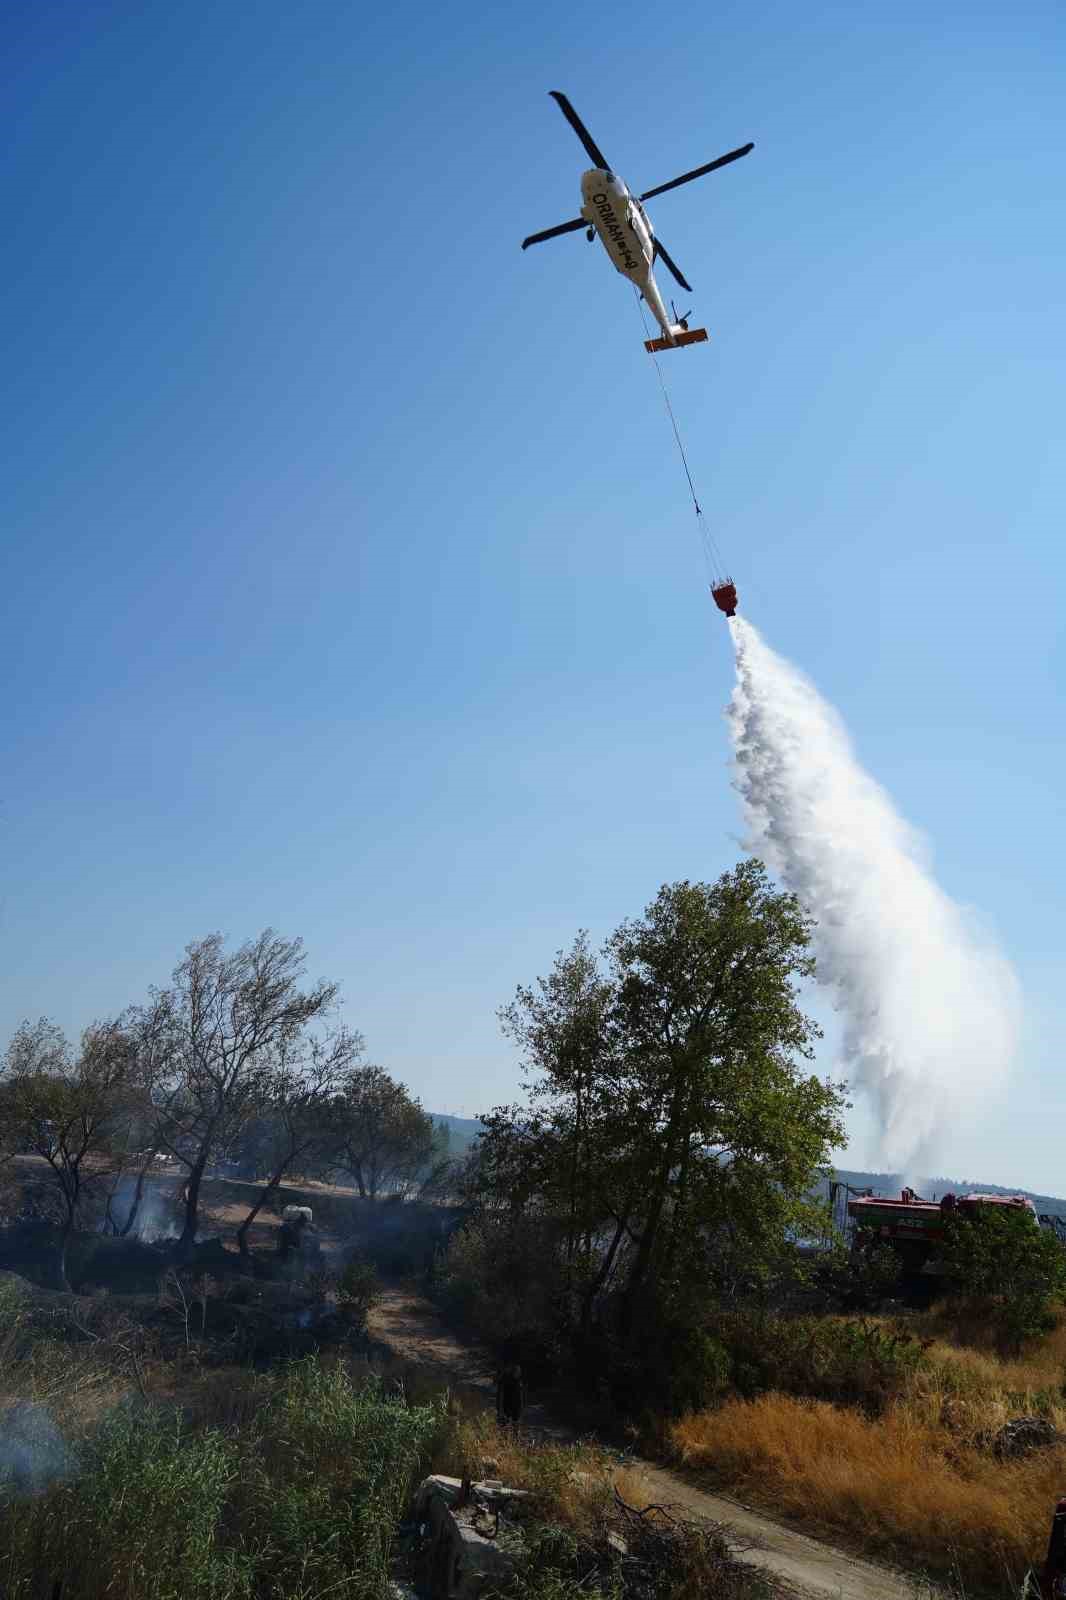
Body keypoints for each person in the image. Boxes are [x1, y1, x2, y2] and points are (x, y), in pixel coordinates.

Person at [496, 1361, 525, 1426]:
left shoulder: (518, 1382)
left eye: (519, 1372)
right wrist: (500, 1412)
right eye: (517, 1372)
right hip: (506, 1410)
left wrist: (520, 1413)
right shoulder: (505, 1382)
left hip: (515, 1410)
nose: (518, 1374)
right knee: (505, 1427)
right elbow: (501, 1398)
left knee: (514, 1427)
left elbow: (520, 1398)